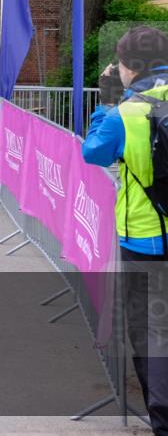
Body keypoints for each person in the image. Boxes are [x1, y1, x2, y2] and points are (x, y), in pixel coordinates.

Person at [83, 26, 168, 436]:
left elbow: (92, 151)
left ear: (130, 67)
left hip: (146, 241)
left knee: (152, 336)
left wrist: (106, 100)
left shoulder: (125, 114)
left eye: (118, 63)